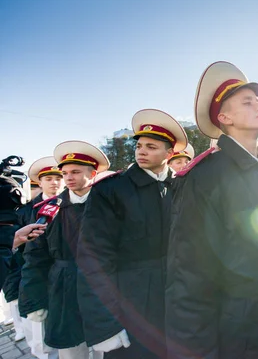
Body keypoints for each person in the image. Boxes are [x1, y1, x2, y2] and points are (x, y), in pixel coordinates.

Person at [166, 61, 258, 358]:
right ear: (224, 117)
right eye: (248, 102)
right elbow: (190, 279)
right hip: (242, 332)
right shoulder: (205, 177)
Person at [77, 109, 187, 359]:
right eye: (139, 145)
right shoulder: (111, 190)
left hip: (177, 299)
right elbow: (93, 258)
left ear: (170, 154)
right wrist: (105, 325)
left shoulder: (181, 185)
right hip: (132, 304)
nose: (141, 151)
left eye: (151, 146)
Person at [21, 142, 108, 359]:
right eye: (65, 172)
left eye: (76, 172)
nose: (68, 178)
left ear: (93, 173)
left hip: (102, 286)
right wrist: (34, 298)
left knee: (104, 347)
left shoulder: (109, 204)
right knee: (70, 350)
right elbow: (35, 255)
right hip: (63, 288)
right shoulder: (47, 210)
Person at [4, 157, 63, 343]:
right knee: (40, 337)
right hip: (34, 274)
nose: (54, 182)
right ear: (40, 181)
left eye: (58, 177)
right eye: (49, 179)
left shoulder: (72, 203)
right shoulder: (25, 211)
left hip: (65, 274)